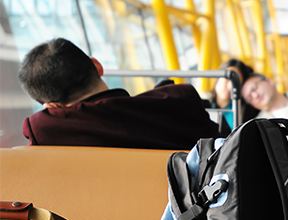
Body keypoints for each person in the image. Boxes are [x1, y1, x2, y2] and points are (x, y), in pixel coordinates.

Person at [19, 37, 222, 150]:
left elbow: (38, 126)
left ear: (52, 108)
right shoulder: (180, 100)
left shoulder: (51, 135)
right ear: (97, 66)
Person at [206, 58, 259, 130]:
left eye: (236, 84)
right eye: (228, 79)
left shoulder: (243, 111)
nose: (231, 86)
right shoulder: (202, 103)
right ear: (218, 77)